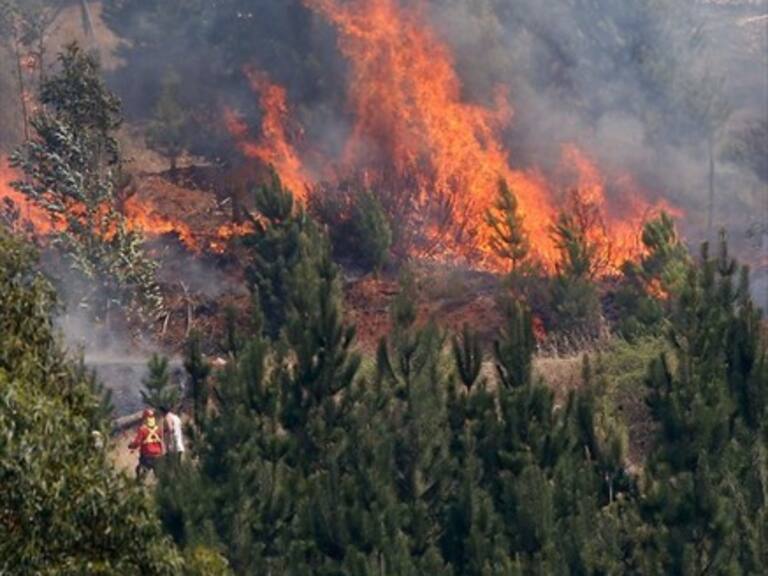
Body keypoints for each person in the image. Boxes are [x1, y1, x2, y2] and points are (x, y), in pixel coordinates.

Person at [128, 408, 164, 480]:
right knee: (159, 476)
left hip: (147, 456)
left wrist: (131, 446)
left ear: (145, 418)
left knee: (141, 473)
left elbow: (137, 442)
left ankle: (140, 487)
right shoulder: (159, 429)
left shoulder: (142, 429)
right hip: (158, 455)